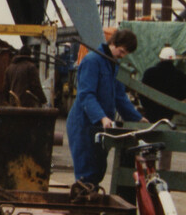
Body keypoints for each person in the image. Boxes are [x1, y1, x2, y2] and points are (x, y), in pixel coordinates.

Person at [70, 29, 142, 191]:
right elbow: (86, 94)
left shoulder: (112, 64)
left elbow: (119, 97)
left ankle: (91, 198)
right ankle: (83, 204)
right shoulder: (92, 61)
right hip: (84, 124)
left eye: (126, 53)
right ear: (113, 43)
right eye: (122, 51)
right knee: (86, 172)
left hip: (101, 125)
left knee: (98, 169)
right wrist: (101, 117)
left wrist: (137, 119)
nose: (122, 56)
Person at [140, 44, 186, 112]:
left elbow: (142, 95)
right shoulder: (181, 76)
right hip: (172, 115)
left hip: (151, 112)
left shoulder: (149, 73)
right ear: (173, 59)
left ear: (160, 58)